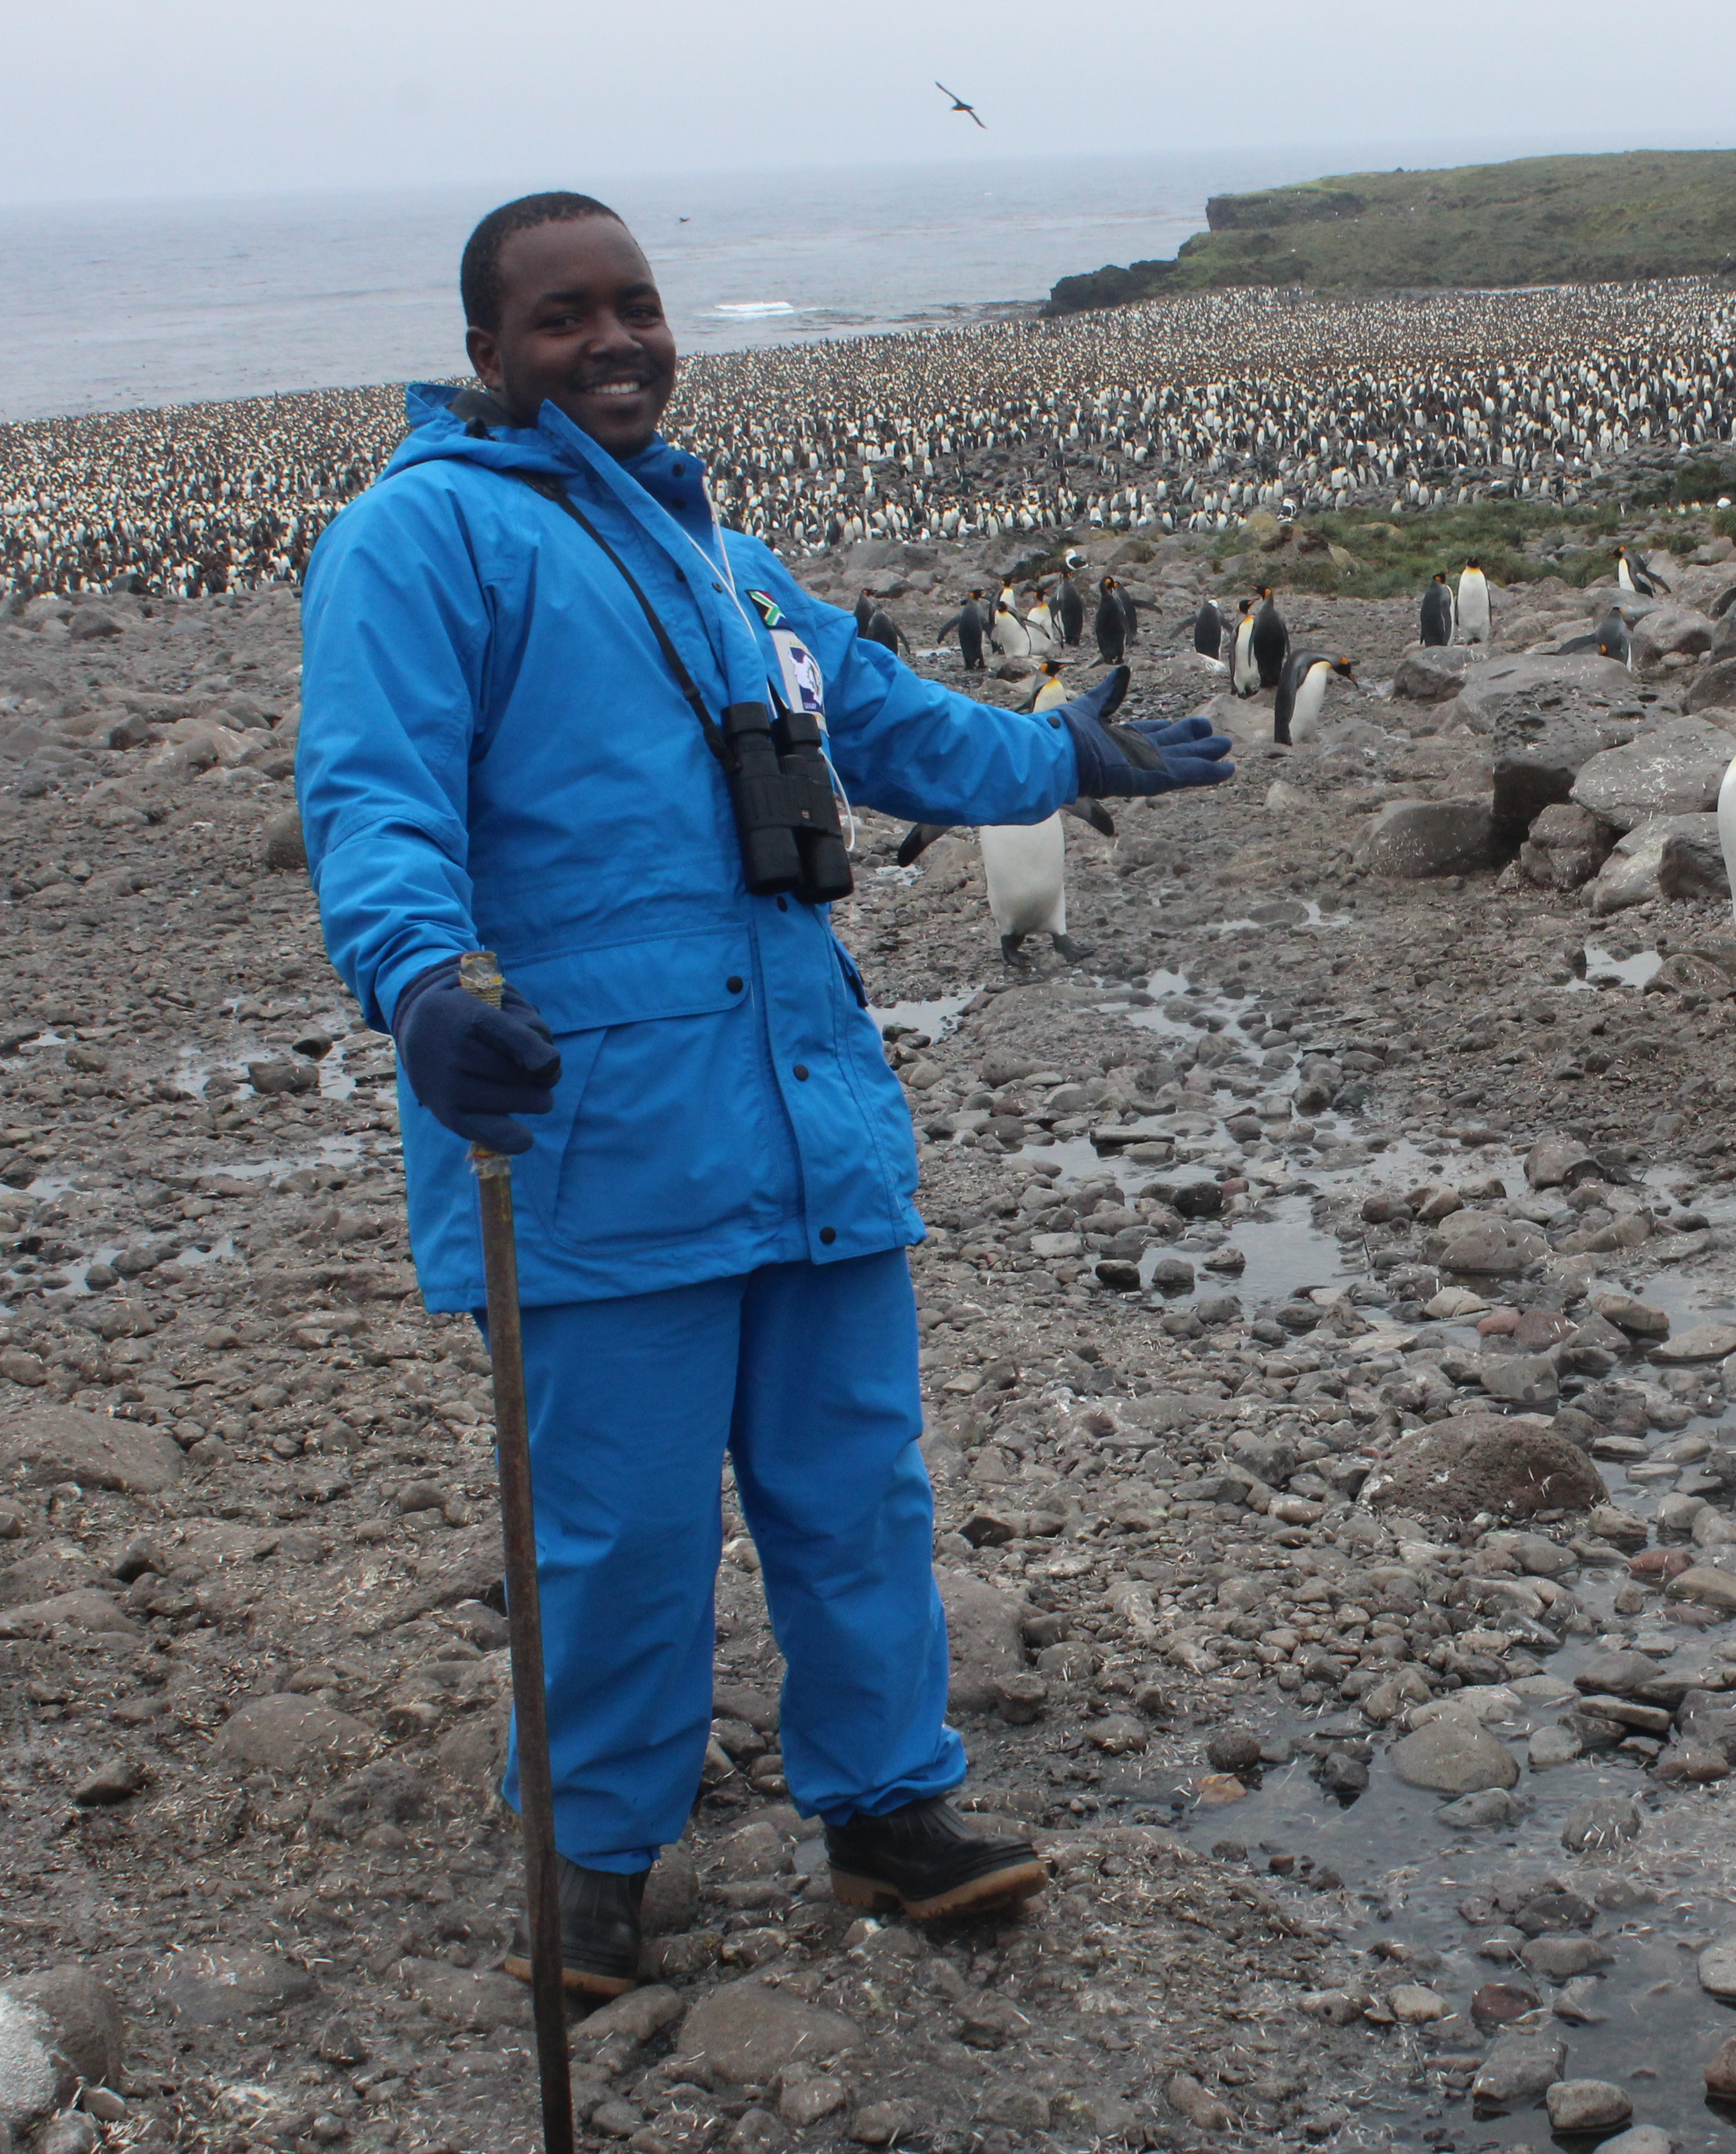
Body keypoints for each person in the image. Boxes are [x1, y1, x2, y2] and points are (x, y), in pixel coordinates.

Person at [296, 191, 1232, 1995]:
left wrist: (1063, 751)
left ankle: (888, 1809)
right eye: (564, 317)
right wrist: (419, 987)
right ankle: (589, 1858)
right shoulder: (420, 542)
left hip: (805, 1106)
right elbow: (372, 794)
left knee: (854, 1490)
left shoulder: (720, 557)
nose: (615, 341)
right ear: (487, 354)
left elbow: (875, 716)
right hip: (591, 1124)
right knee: (619, 1529)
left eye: (635, 305)